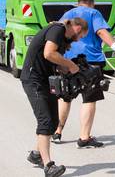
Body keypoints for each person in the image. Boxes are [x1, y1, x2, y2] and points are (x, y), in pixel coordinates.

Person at [52, 0, 115, 147]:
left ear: (78, 2)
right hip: (90, 61)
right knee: (89, 98)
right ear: (92, 3)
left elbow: (58, 32)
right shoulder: (94, 13)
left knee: (65, 96)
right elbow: (101, 31)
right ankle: (84, 137)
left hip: (68, 59)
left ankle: (57, 132)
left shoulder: (67, 14)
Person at [22, 18, 88, 177]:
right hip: (33, 79)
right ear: (77, 28)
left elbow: (52, 60)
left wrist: (68, 69)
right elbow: (49, 53)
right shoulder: (57, 30)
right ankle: (48, 166)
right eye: (81, 36)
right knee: (45, 121)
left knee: (53, 121)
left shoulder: (61, 35)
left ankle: (36, 154)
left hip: (45, 79)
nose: (78, 39)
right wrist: (71, 65)